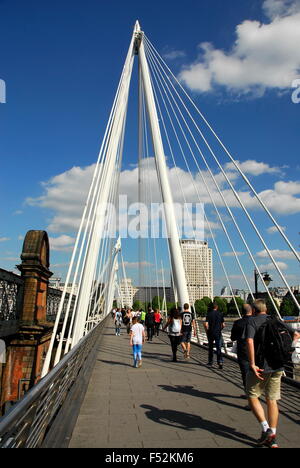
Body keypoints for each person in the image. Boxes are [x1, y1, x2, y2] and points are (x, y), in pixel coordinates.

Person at [245, 299, 300, 448]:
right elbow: (296, 334)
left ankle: (265, 429)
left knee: (252, 395)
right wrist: (287, 351)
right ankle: (273, 436)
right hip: (278, 366)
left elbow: (249, 341)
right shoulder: (275, 320)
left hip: (261, 367)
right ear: (266, 309)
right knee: (272, 400)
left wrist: (252, 364)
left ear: (254, 310)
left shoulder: (252, 321)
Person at [230, 303, 252, 397]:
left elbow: (233, 338)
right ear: (251, 311)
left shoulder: (238, 323)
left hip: (243, 351)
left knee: (245, 374)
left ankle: (249, 395)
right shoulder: (256, 321)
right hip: (256, 351)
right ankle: (255, 394)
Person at [204, 302, 225, 369]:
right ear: (217, 307)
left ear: (212, 307)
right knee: (218, 348)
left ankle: (210, 362)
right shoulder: (220, 314)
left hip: (211, 333)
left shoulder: (209, 314)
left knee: (210, 347)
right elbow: (223, 325)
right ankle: (220, 362)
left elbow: (206, 325)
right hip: (218, 333)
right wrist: (220, 329)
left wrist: (207, 331)